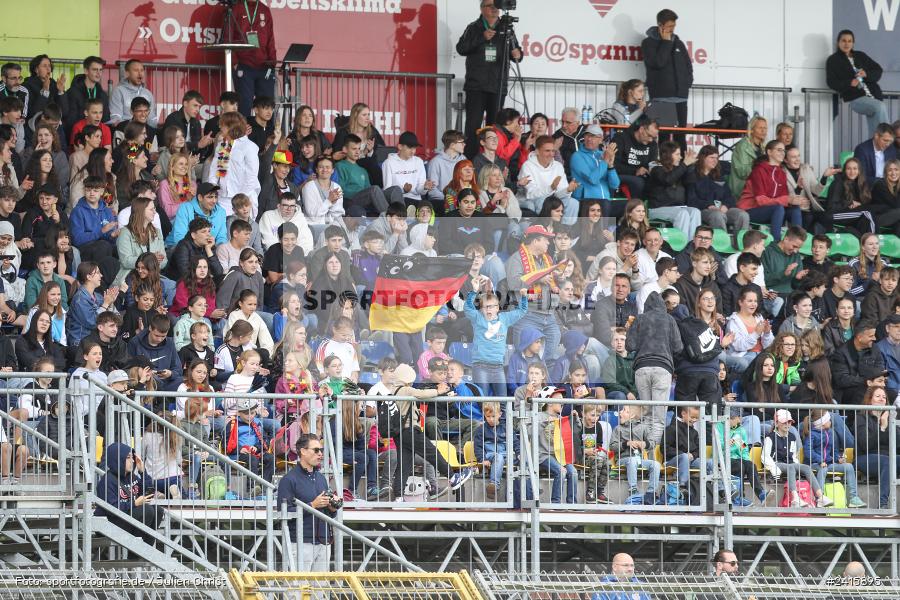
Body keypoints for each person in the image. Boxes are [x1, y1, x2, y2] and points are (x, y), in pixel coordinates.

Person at [457, 1, 523, 158]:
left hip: (498, 85)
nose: (494, 9)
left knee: (495, 127)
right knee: (473, 126)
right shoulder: (474, 27)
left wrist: (518, 54)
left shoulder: (507, 29)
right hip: (476, 86)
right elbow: (461, 48)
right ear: (482, 8)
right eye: (489, 5)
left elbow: (517, 54)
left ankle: (493, 160)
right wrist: (481, 37)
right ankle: (471, 160)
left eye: (496, 6)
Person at [627, 292, 683, 446]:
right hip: (662, 369)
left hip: (642, 368)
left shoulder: (640, 318)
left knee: (646, 416)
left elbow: (629, 346)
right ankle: (653, 457)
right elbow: (678, 347)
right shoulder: (669, 319)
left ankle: (643, 455)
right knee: (658, 418)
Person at [276, 432, 335, 570]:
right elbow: (283, 513)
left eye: (321, 450)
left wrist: (332, 508)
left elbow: (326, 512)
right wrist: (312, 505)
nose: (320, 454)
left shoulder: (321, 478)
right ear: (302, 451)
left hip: (322, 541)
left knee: (320, 590)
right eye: (316, 450)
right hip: (300, 542)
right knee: (298, 589)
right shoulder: (289, 479)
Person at [506, 225, 564, 361]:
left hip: (549, 315)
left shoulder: (547, 259)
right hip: (527, 315)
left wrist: (559, 278)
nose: (549, 243)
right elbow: (513, 283)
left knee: (549, 358)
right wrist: (539, 278)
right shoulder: (516, 259)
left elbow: (550, 283)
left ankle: (544, 381)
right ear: (535, 241)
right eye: (546, 240)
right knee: (524, 358)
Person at [641, 8, 692, 149]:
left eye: (674, 26)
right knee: (663, 135)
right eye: (669, 26)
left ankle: (682, 166)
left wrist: (687, 84)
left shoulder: (679, 43)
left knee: (680, 135)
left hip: (681, 97)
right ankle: (665, 167)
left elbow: (688, 65)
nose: (672, 29)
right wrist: (666, 42)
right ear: (660, 25)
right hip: (662, 97)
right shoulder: (648, 43)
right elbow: (658, 62)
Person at [826, 29, 891, 136]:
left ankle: (874, 148)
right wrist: (849, 82)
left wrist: (866, 73)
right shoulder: (833, 60)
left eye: (849, 41)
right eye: (843, 41)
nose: (846, 44)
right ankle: (887, 139)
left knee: (874, 127)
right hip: (855, 98)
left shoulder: (860, 55)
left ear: (853, 43)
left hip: (874, 95)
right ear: (838, 42)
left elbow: (878, 69)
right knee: (880, 107)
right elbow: (831, 82)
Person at [206, 112, 260, 217]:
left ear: (232, 127)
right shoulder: (222, 146)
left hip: (244, 198)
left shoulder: (249, 146)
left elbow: (252, 176)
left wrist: (241, 198)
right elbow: (214, 171)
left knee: (242, 231)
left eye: (223, 125)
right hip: (223, 198)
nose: (220, 127)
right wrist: (213, 190)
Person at [854, 386, 900, 509]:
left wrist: (891, 424)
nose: (882, 399)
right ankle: (883, 505)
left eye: (884, 397)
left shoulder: (889, 419)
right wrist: (882, 428)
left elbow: (898, 443)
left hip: (887, 456)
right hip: (865, 458)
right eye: (878, 396)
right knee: (888, 461)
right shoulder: (861, 418)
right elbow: (866, 445)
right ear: (870, 400)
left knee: (890, 460)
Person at [687, 145, 749, 233]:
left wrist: (726, 205)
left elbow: (730, 197)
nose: (715, 161)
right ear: (703, 158)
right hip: (703, 210)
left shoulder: (718, 176)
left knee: (742, 215)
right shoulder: (693, 175)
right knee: (717, 215)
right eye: (711, 157)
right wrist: (709, 205)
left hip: (722, 208)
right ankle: (721, 244)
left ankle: (742, 243)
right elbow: (691, 200)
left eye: (717, 158)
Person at [645, 140, 701, 238]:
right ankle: (681, 246)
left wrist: (690, 165)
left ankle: (692, 245)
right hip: (658, 208)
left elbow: (691, 181)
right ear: (668, 155)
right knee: (682, 214)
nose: (680, 157)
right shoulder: (657, 169)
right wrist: (684, 165)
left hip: (679, 208)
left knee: (695, 211)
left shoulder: (680, 169)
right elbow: (668, 180)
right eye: (677, 154)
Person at [334, 134, 395, 216]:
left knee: (394, 190)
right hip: (350, 200)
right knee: (375, 189)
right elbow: (340, 190)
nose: (357, 152)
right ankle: (391, 217)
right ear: (345, 149)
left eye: (359, 149)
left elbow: (368, 189)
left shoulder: (362, 170)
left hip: (365, 200)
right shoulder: (340, 166)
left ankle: (401, 216)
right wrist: (362, 192)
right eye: (354, 149)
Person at [609, 404, 660, 500]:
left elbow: (653, 442)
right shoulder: (618, 429)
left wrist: (644, 444)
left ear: (632, 416)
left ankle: (651, 493)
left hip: (639, 460)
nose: (620, 412)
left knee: (656, 464)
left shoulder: (643, 428)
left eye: (624, 410)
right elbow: (612, 447)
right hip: (622, 460)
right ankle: (633, 490)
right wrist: (626, 444)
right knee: (632, 460)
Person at [819, 157, 876, 236]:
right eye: (849, 169)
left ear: (859, 171)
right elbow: (831, 207)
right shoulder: (838, 183)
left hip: (848, 215)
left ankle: (861, 240)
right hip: (832, 215)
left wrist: (859, 205)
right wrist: (849, 203)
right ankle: (872, 241)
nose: (852, 172)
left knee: (867, 217)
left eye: (855, 168)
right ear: (844, 171)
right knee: (867, 213)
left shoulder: (861, 184)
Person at [571, 124, 619, 208]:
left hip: (604, 200)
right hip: (585, 200)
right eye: (587, 135)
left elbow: (615, 185)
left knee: (629, 207)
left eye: (593, 136)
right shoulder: (577, 156)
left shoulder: (602, 154)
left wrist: (611, 165)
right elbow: (593, 179)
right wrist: (604, 161)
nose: (589, 139)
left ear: (601, 140)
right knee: (605, 206)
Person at [166, 182, 228, 248]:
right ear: (200, 197)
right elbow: (179, 237)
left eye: (216, 197)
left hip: (207, 249)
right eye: (210, 197)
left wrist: (221, 249)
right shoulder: (185, 208)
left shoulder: (221, 212)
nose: (214, 201)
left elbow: (222, 237)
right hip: (178, 248)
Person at [612, 116, 659, 200]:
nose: (651, 140)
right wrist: (635, 171)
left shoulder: (652, 145)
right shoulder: (621, 138)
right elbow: (613, 164)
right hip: (621, 174)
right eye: (649, 136)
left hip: (643, 176)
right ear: (641, 130)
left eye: (654, 137)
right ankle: (636, 208)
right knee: (638, 182)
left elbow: (652, 163)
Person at [62, 56, 109, 134]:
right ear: (86, 71)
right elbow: (71, 120)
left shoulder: (103, 95)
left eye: (100, 70)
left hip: (98, 136)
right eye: (95, 70)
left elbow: (106, 118)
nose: (98, 73)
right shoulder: (73, 92)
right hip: (80, 134)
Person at [160, 90, 213, 155]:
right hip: (174, 159)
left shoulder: (197, 123)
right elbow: (172, 145)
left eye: (199, 106)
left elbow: (198, 148)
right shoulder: (173, 119)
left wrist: (205, 143)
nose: (198, 110)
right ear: (185, 103)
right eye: (195, 105)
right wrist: (198, 145)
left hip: (191, 160)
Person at [726, 116, 768, 199]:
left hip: (760, 189)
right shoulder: (742, 146)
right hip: (742, 191)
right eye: (760, 128)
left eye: (765, 128)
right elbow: (742, 172)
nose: (763, 131)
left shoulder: (764, 147)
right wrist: (760, 168)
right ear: (751, 130)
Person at [109, 59, 155, 127]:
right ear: (127, 73)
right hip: (126, 132)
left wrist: (151, 132)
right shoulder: (118, 91)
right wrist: (133, 131)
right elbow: (116, 119)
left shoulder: (148, 93)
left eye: (142, 70)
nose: (140, 73)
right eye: (136, 70)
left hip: (145, 132)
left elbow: (152, 119)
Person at [871, 159, 900, 236]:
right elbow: (895, 205)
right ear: (885, 172)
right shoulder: (880, 184)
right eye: (890, 170)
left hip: (895, 218)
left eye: (896, 170)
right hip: (879, 218)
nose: (893, 173)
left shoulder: (897, 186)